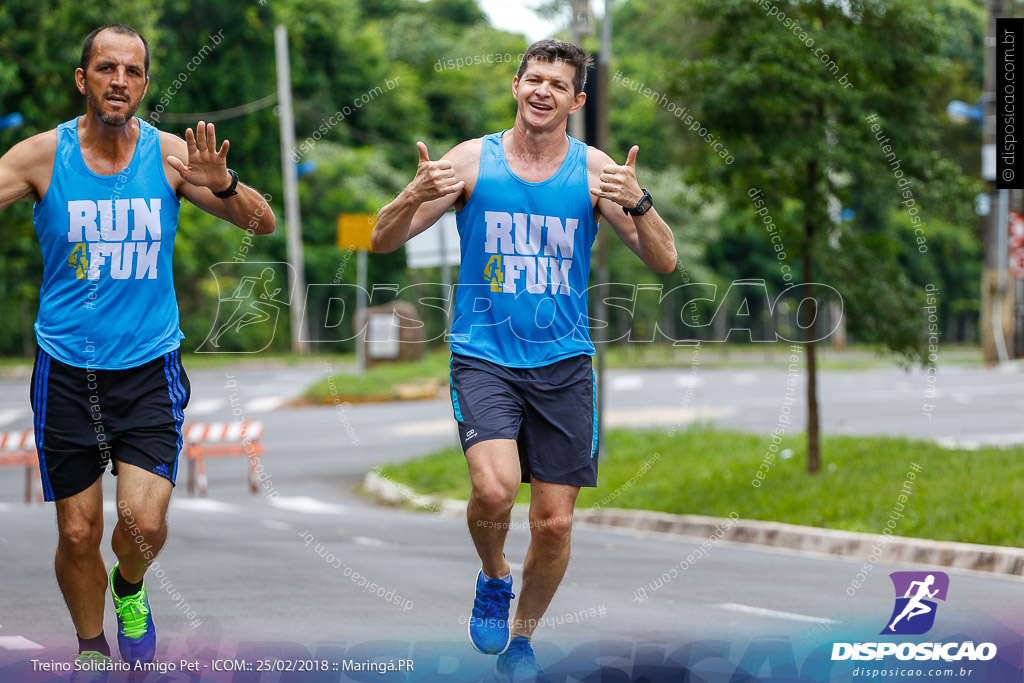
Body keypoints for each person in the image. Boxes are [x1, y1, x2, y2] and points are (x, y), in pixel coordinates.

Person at [373, 38, 677, 683]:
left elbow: (663, 260)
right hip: (483, 355)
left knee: (555, 522)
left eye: (558, 85)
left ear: (577, 100)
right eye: (533, 79)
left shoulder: (596, 172)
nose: (543, 92)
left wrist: (641, 201)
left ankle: (523, 638)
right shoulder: (471, 162)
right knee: (492, 488)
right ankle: (492, 575)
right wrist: (410, 194)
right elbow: (382, 238)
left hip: (564, 365)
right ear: (516, 86)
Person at [0, 23, 275, 676]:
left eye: (132, 71)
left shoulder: (172, 157)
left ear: (145, 84)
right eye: (106, 68)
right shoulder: (41, 157)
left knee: (143, 525)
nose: (119, 80)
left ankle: (129, 586)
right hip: (65, 369)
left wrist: (227, 183)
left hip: (149, 368)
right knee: (76, 532)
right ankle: (92, 644)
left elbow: (262, 222)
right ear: (83, 79)